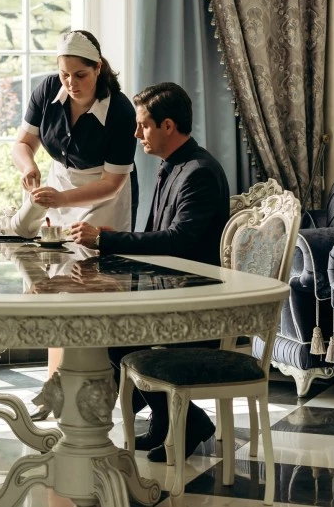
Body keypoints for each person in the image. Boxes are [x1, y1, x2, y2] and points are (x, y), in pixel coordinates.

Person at [71, 82, 230, 462]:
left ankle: (187, 420)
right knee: (110, 327)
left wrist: (106, 241)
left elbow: (178, 240)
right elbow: (162, 235)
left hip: (196, 303)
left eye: (143, 125)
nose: (136, 133)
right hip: (172, 290)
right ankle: (166, 419)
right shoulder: (175, 165)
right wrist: (112, 240)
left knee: (115, 333)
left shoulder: (198, 172)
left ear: (168, 126)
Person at [11, 30, 138, 419]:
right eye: (64, 74)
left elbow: (112, 183)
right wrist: (29, 168)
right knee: (54, 288)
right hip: (58, 186)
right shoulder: (47, 90)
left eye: (80, 75)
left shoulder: (120, 111)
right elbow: (23, 144)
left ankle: (89, 393)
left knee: (86, 291)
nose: (71, 83)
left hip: (102, 197)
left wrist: (62, 199)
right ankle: (54, 389)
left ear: (98, 68)